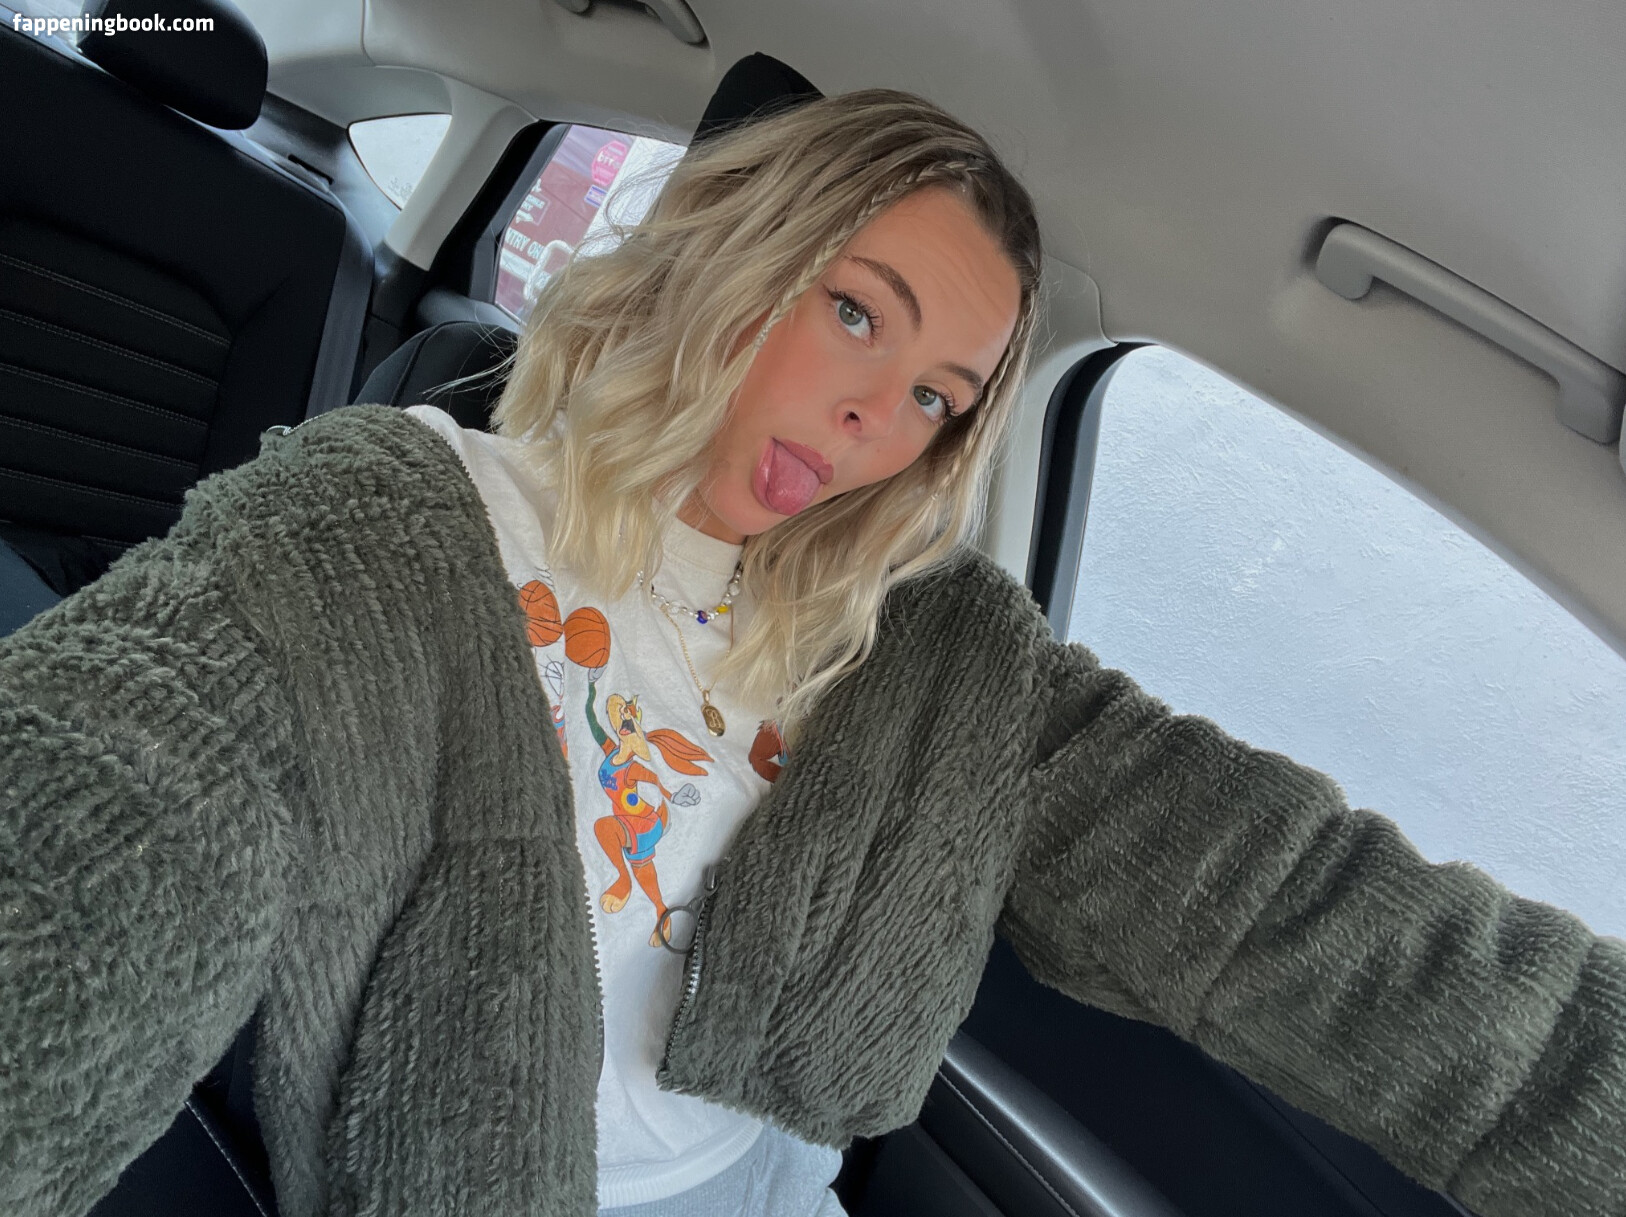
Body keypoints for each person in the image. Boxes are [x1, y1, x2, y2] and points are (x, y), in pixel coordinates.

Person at [1, 87, 1622, 1217]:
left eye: (935, 397)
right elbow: (105, 826)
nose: (873, 419)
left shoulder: (931, 653)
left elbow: (1300, 904)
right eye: (855, 311)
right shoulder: (367, 533)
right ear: (727, 250)